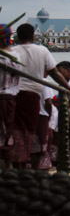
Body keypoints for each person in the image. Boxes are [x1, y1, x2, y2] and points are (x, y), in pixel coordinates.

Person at [11, 23, 70, 169]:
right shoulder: (42, 50)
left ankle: (18, 167)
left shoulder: (12, 51)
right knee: (28, 132)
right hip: (32, 96)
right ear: (33, 37)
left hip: (15, 95)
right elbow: (54, 73)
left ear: (17, 37)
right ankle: (24, 167)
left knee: (17, 132)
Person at [0, 23, 21, 169]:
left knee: (5, 136)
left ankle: (7, 167)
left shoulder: (5, 57)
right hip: (11, 99)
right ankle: (7, 166)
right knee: (7, 135)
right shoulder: (16, 56)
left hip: (3, 98)